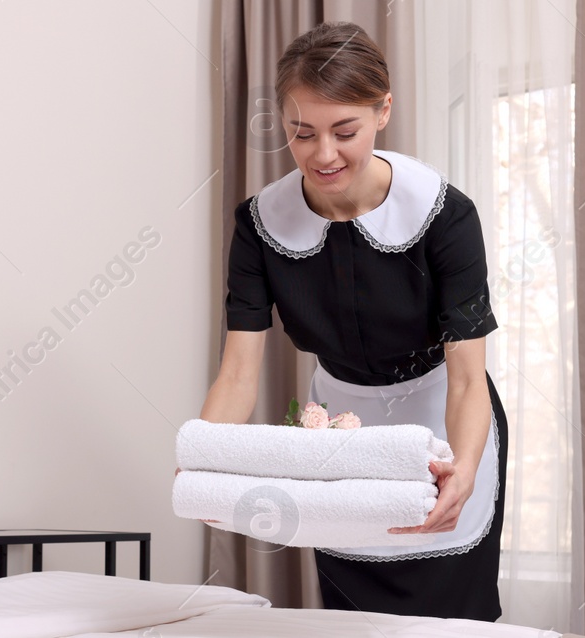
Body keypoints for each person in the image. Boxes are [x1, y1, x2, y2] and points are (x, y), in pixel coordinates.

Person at [196, 21, 509, 622]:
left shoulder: (444, 216)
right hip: (342, 429)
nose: (322, 154)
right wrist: (205, 459)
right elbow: (238, 371)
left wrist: (462, 469)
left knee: (452, 615)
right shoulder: (261, 225)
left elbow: (469, 378)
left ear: (382, 110)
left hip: (443, 417)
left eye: (345, 131)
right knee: (349, 620)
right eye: (301, 132)